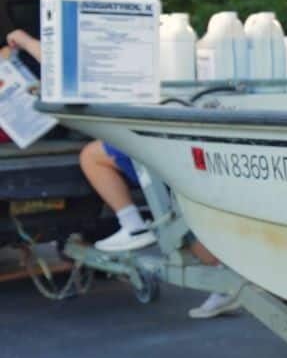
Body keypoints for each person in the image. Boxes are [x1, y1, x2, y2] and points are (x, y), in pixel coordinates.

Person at [6, 19, 239, 319]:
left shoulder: (101, 46)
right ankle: (226, 281)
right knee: (183, 217)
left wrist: (23, 39)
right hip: (176, 138)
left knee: (96, 158)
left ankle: (133, 225)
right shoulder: (148, 40)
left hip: (143, 141)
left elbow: (59, 68)